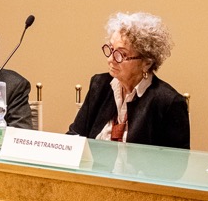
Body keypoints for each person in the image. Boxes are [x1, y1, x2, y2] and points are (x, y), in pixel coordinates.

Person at [67, 11, 190, 149]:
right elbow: (74, 137)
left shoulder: (168, 102)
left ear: (146, 63)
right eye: (111, 49)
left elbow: (176, 160)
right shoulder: (100, 85)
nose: (110, 59)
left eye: (121, 54)